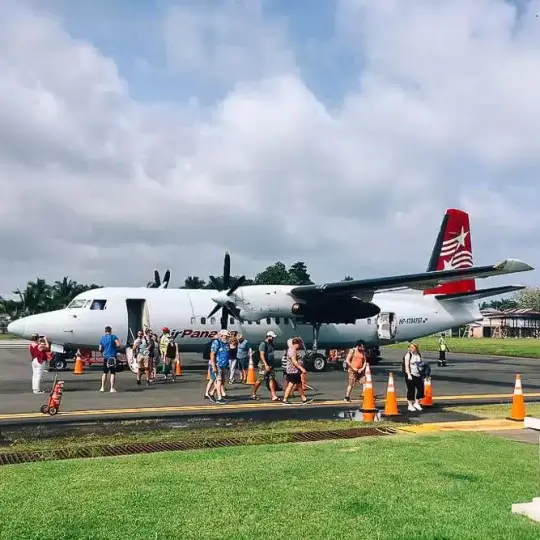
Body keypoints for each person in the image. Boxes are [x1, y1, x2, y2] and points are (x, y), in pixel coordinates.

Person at [250, 331, 280, 402]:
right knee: (261, 379)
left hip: (270, 364)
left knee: (271, 378)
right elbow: (261, 355)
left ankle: (273, 395)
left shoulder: (271, 344)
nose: (273, 338)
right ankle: (253, 392)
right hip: (264, 364)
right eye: (272, 337)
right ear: (268, 336)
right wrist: (265, 364)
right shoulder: (263, 344)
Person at [282, 337, 312, 405]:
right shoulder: (293, 350)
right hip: (293, 370)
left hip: (292, 370)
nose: (300, 346)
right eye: (299, 344)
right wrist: (302, 369)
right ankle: (285, 399)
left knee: (298, 385)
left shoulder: (290, 349)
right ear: (296, 344)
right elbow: (294, 362)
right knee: (291, 384)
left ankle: (304, 399)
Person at [208, 329, 230, 404]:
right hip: (217, 364)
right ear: (221, 335)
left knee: (222, 381)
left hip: (224, 365)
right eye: (225, 336)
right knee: (219, 380)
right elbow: (212, 354)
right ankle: (219, 398)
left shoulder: (226, 343)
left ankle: (211, 393)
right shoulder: (216, 342)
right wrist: (214, 366)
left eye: (227, 336)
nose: (227, 338)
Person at [403, 342, 425, 412]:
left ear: (416, 348)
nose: (411, 349)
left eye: (413, 347)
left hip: (418, 374)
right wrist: (409, 374)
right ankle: (410, 404)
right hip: (411, 374)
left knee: (420, 389)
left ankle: (417, 403)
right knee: (411, 390)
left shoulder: (419, 355)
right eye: (410, 347)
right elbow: (406, 366)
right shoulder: (408, 355)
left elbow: (421, 364)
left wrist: (423, 372)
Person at [98, 326, 121, 392]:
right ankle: (111, 388)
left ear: (105, 331)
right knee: (112, 373)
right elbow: (118, 344)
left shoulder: (102, 338)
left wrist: (104, 350)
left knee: (105, 372)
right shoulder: (113, 337)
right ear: (110, 331)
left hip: (106, 357)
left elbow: (100, 349)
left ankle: (102, 387)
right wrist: (114, 347)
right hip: (112, 356)